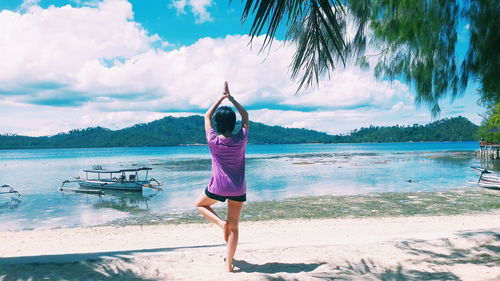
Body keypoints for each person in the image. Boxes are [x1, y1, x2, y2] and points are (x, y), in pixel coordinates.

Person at [195, 81, 249, 272]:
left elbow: (206, 115)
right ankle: (229, 264)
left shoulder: (213, 140)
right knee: (234, 226)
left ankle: (220, 223)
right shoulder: (241, 139)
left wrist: (220, 98)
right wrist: (231, 98)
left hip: (217, 187)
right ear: (233, 123)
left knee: (200, 205)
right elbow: (245, 116)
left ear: (217, 124)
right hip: (237, 188)